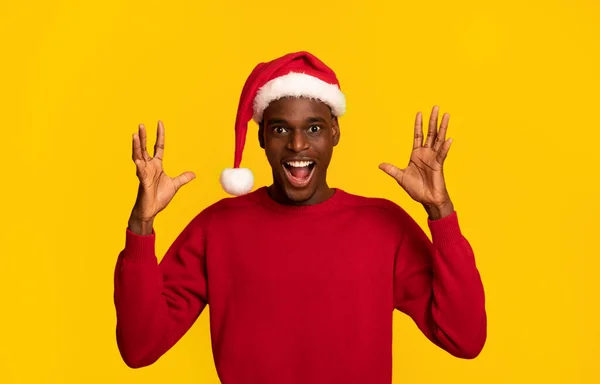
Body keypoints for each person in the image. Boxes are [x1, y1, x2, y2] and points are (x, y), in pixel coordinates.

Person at [113, 51, 486, 384]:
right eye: (280, 130)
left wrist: (441, 213)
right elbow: (140, 348)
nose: (297, 144)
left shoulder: (383, 226)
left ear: (335, 132)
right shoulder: (218, 228)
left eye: (313, 127)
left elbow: (464, 338)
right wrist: (141, 226)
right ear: (261, 138)